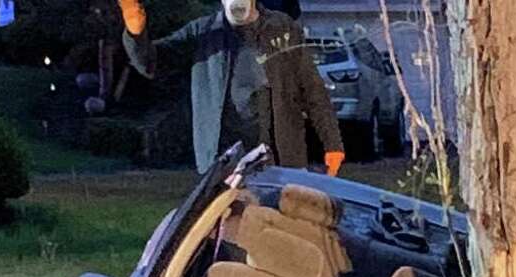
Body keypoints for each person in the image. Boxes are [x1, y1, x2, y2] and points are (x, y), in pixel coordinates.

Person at [117, 0, 345, 176]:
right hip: (221, 159)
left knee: (277, 228)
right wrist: (136, 33)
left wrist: (332, 143)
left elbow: (312, 89)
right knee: (229, 229)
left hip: (279, 156)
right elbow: (151, 64)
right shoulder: (202, 32)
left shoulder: (284, 29)